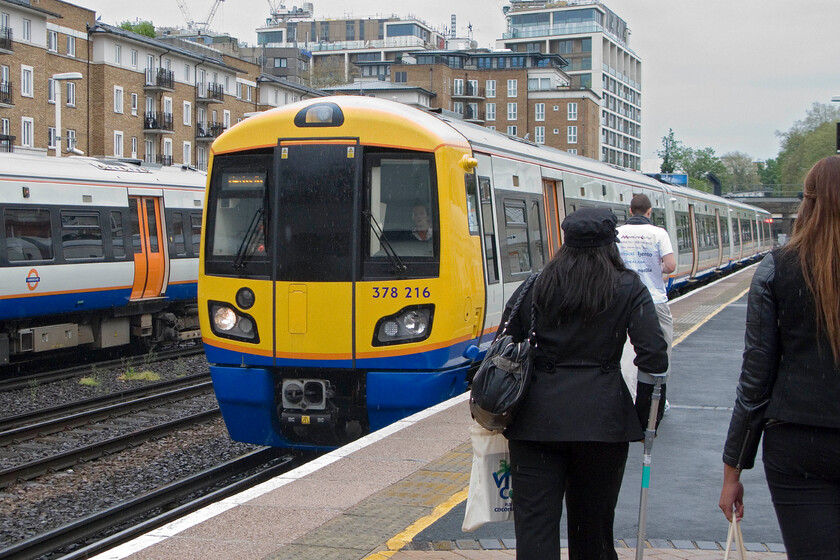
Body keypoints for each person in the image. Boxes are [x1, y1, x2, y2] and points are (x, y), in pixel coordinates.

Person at [501, 207, 669, 560]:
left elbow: (506, 342)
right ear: (612, 243)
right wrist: (642, 419)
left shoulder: (537, 283)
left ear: (565, 241)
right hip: (604, 422)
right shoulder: (628, 287)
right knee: (593, 531)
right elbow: (653, 356)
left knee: (534, 530)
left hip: (536, 421)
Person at [719, 155, 840, 558]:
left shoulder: (778, 268)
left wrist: (733, 470)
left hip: (799, 440)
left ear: (807, 203)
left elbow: (755, 377)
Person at [617, 193, 676, 401]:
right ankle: (658, 397)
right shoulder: (658, 233)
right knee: (661, 348)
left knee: (627, 350)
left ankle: (630, 396)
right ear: (649, 212)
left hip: (624, 299)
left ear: (630, 211)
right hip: (654, 299)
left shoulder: (617, 233)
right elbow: (670, 266)